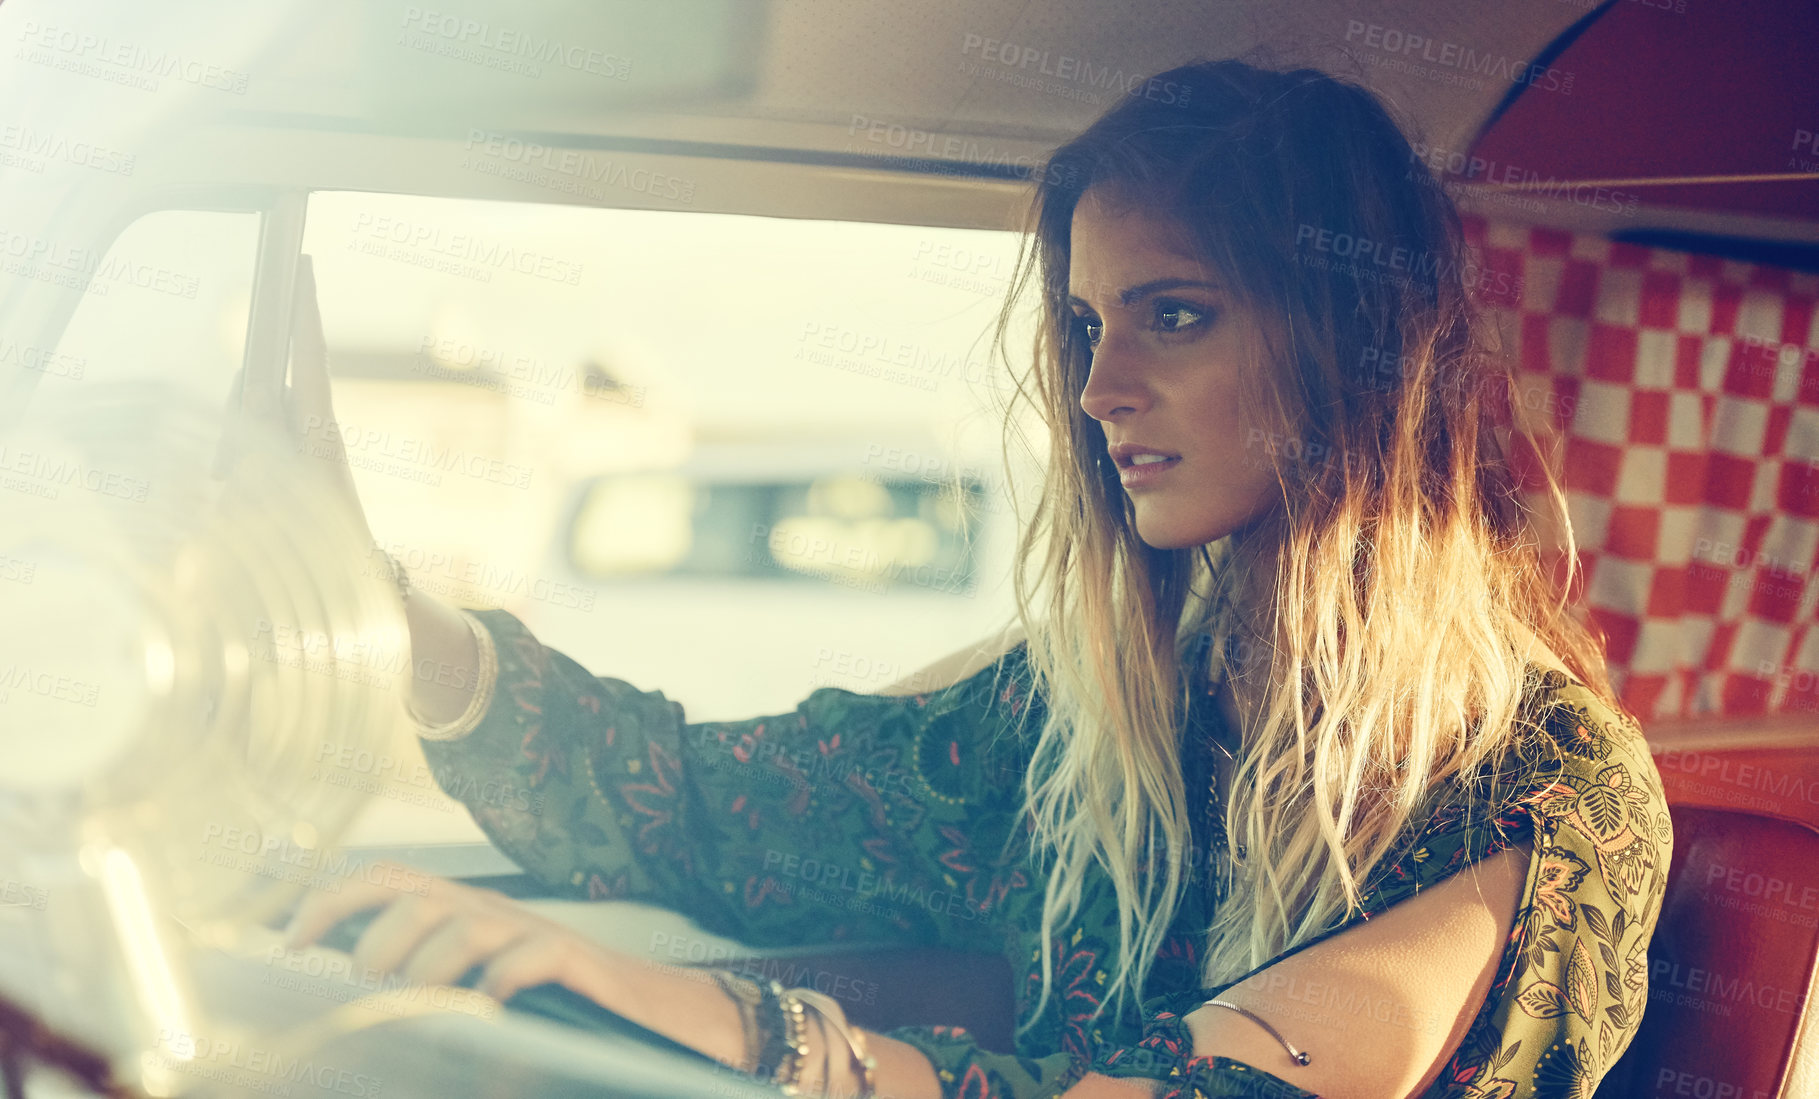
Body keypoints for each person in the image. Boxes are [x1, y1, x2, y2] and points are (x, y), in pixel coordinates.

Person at [278, 58, 1672, 1099]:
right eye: (1082, 324)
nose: (1099, 387)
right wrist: (371, 609)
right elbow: (690, 804)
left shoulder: (1543, 785)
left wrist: (715, 1020)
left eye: (1172, 316)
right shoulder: (1088, 721)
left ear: (1352, 345)